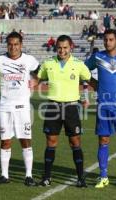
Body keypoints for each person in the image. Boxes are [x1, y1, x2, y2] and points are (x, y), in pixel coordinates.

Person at [37, 35, 91, 187]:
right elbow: (37, 79)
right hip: (53, 106)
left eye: (65, 47)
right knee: (51, 142)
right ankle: (47, 177)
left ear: (71, 47)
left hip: (71, 108)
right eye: (59, 47)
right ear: (56, 48)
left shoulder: (79, 64)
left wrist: (86, 97)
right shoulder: (48, 63)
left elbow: (88, 79)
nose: (62, 50)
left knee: (75, 142)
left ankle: (81, 177)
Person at [0, 32, 39, 186]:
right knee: (5, 141)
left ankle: (28, 175)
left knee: (25, 140)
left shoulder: (29, 60)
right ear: (6, 45)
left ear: (21, 45)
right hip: (4, 107)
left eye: (16, 44)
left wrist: (36, 80)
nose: (13, 47)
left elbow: (42, 72)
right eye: (10, 44)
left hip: (22, 107)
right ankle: (4, 175)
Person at [85, 29, 116, 190]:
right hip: (103, 106)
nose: (107, 42)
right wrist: (95, 84)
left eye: (111, 39)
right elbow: (84, 72)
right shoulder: (98, 57)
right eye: (105, 39)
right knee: (103, 141)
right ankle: (103, 175)